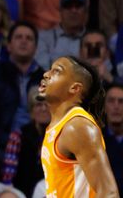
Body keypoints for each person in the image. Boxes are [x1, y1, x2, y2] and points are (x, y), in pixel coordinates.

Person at [39, 55, 119, 196]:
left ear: (75, 88)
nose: (46, 74)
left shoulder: (78, 126)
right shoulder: (58, 126)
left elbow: (109, 193)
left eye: (57, 71)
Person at [0, 22, 45, 149]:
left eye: (29, 38)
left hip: (39, 144)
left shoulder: (47, 80)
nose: (24, 41)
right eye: (19, 37)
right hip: (1, 144)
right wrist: (8, 141)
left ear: (36, 48)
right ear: (8, 46)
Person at [1, 87, 50, 198]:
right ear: (31, 111)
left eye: (47, 104)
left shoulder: (61, 136)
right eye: (38, 104)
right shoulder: (17, 136)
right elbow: (8, 178)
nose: (43, 108)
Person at [36, 0, 90, 69]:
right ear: (60, 12)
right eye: (68, 6)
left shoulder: (93, 39)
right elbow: (41, 66)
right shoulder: (44, 38)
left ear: (86, 12)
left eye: (78, 6)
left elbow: (103, 67)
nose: (73, 11)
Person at [103, 84, 123, 192]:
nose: (116, 106)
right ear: (104, 108)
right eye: (111, 101)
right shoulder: (94, 141)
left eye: (121, 101)